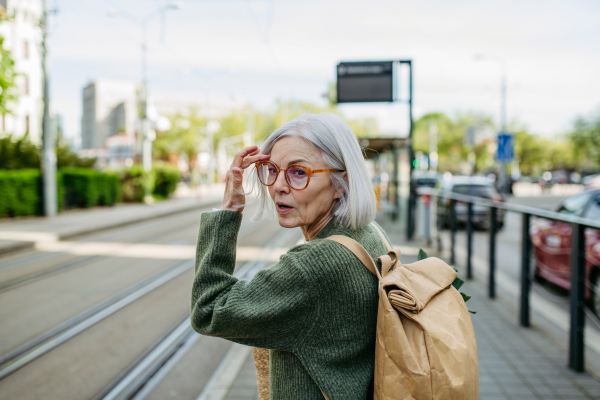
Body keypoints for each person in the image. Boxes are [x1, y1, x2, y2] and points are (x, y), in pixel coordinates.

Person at [191, 113, 389, 399]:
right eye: (272, 169)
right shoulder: (370, 233)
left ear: (340, 181)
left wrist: (228, 211)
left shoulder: (317, 264)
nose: (278, 186)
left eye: (298, 172)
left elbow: (208, 309)